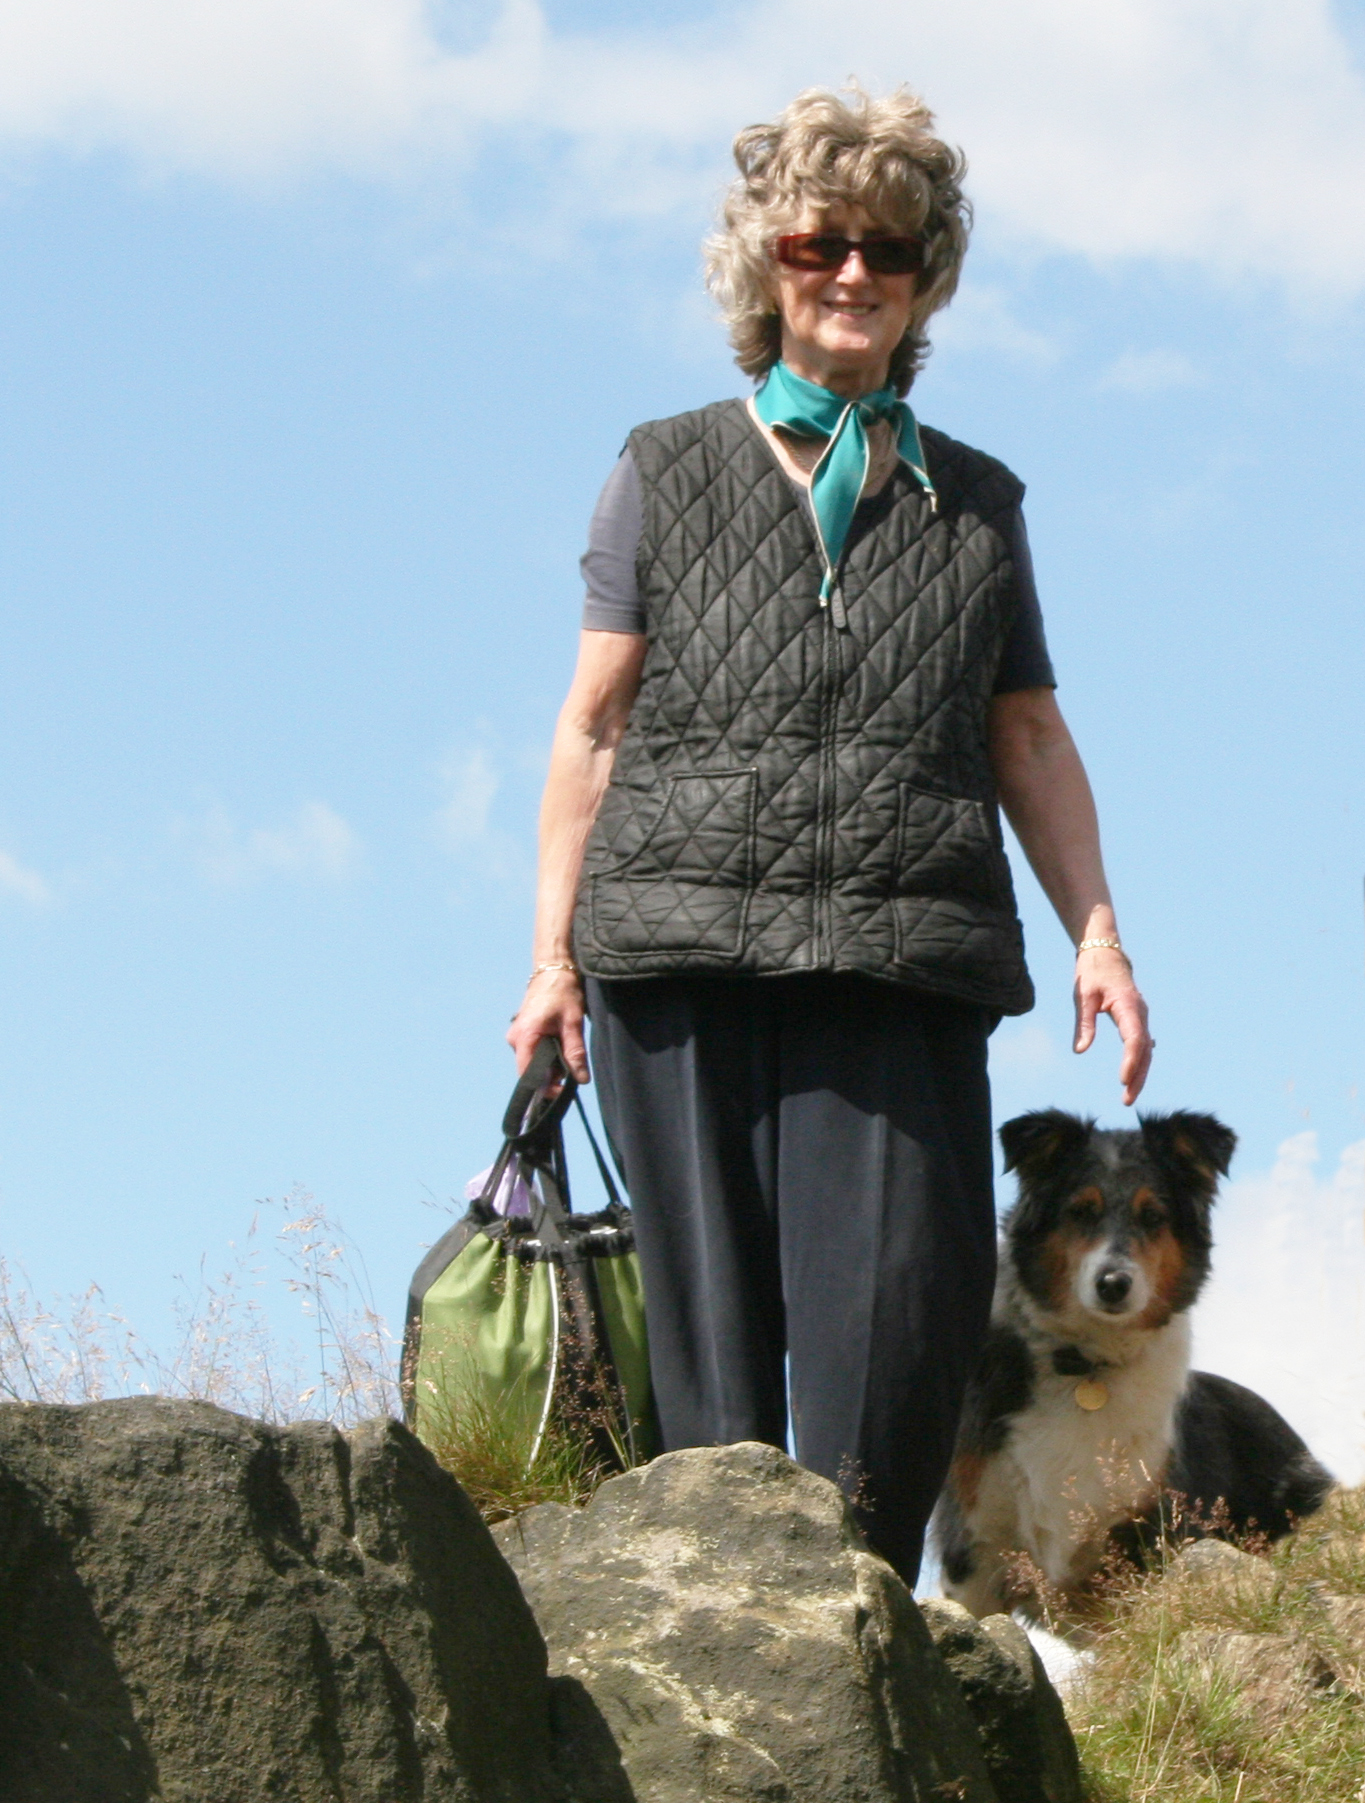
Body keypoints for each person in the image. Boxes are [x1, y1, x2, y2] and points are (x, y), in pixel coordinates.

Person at [508, 85, 1153, 1586]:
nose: (851, 274)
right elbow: (592, 725)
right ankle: (717, 1671)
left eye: (888, 248)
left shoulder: (976, 505)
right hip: (673, 957)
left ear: (926, 278)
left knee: (892, 1360)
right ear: (765, 266)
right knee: (712, 1377)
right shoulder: (663, 469)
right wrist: (548, 961)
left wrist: (1099, 934)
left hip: (898, 958)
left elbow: (1028, 733)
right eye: (817, 244)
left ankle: (856, 1650)